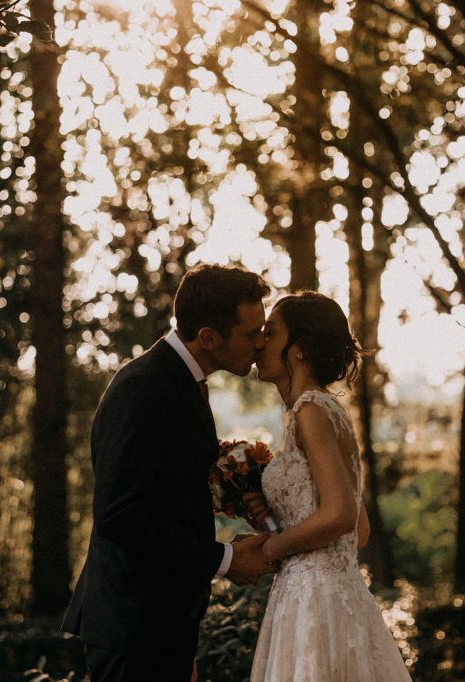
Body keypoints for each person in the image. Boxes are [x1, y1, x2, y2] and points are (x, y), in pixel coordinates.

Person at [61, 264, 279, 681]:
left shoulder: (180, 381)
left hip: (159, 624)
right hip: (133, 627)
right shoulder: (143, 388)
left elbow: (164, 492)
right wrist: (225, 558)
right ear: (209, 338)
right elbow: (120, 515)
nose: (259, 343)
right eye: (252, 333)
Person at [245, 291, 411, 681]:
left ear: (299, 349)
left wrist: (271, 548)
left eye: (270, 334)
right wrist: (272, 520)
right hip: (339, 597)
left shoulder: (311, 410)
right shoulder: (331, 412)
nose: (258, 345)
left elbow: (340, 515)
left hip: (313, 601)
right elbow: (361, 530)